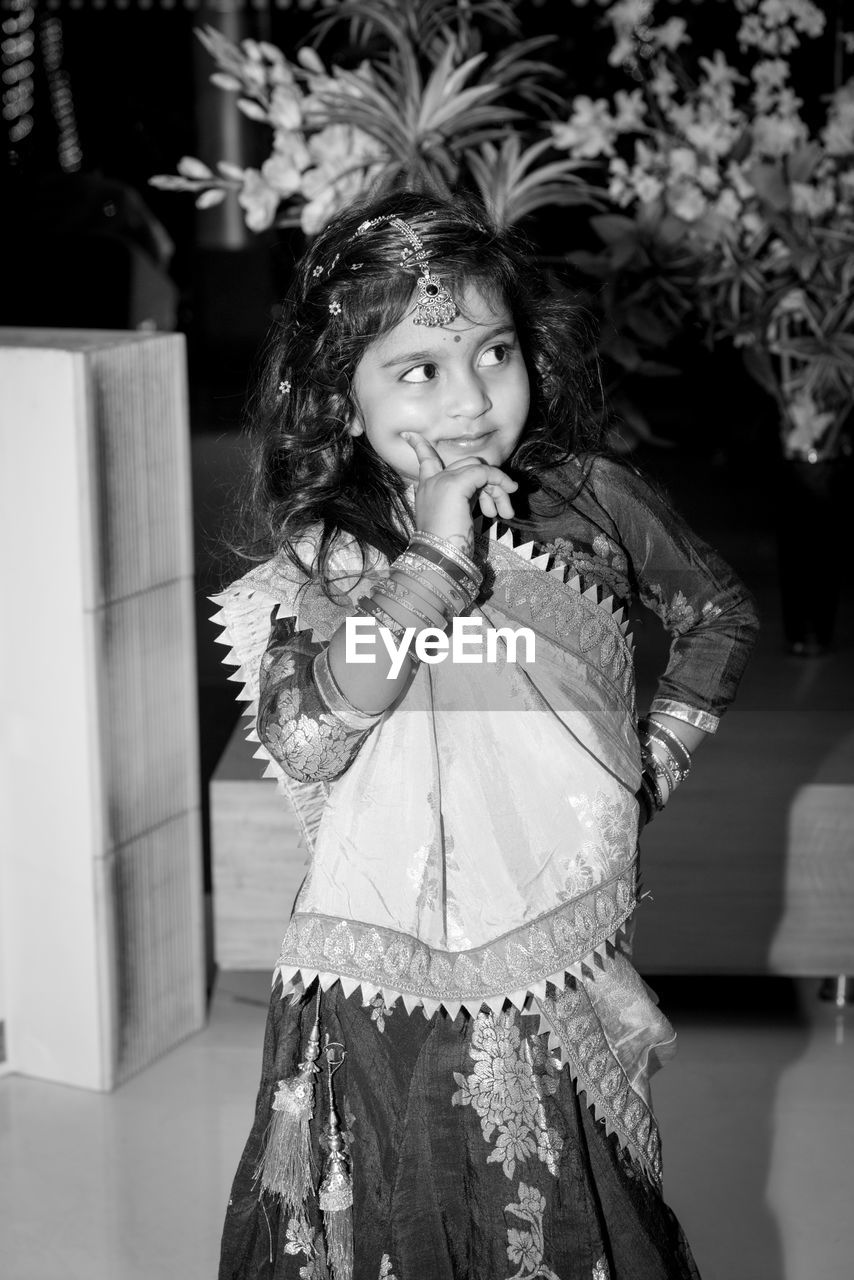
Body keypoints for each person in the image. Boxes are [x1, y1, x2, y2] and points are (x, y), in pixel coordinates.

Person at [213, 190, 758, 1280]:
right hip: (370, 985)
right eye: (418, 369)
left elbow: (715, 614)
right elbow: (310, 738)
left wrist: (641, 767)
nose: (469, 400)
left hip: (550, 958)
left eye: (494, 353)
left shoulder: (588, 500)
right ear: (340, 394)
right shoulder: (327, 554)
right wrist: (427, 565)